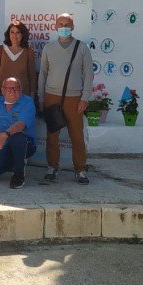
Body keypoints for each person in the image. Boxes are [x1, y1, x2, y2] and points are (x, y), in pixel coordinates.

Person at [39, 13, 93, 184]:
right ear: (55, 26)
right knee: (52, 135)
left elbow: (89, 74)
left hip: (74, 98)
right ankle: (52, 167)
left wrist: (85, 98)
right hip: (51, 96)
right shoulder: (48, 48)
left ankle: (80, 169)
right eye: (60, 24)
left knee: (77, 136)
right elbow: (43, 74)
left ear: (72, 27)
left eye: (67, 24)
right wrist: (41, 98)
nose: (63, 27)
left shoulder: (82, 48)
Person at [0, 77, 37, 189]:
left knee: (18, 137)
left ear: (21, 89)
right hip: (4, 144)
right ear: (2, 90)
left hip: (25, 144)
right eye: (9, 89)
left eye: (16, 88)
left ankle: (19, 175)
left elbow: (20, 125)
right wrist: (1, 137)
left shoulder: (27, 102)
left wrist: (5, 135)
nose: (12, 91)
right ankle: (14, 162)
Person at [0, 20, 36, 99]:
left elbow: (32, 76)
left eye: (18, 32)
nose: (15, 35)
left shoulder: (28, 52)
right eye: (12, 32)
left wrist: (32, 95)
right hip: (2, 96)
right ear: (8, 34)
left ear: (22, 34)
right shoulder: (0, 50)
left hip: (22, 96)